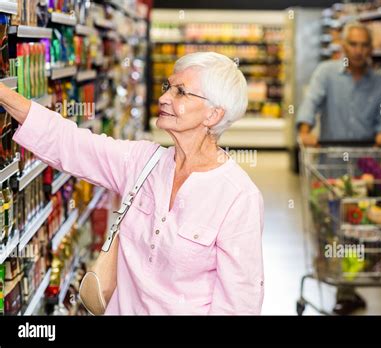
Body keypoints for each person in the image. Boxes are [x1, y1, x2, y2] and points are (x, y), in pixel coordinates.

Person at [0, 52, 264, 315]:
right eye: (167, 87)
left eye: (181, 92)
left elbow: (238, 305)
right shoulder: (143, 163)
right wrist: (3, 93)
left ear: (213, 115)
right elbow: (68, 142)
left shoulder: (238, 197)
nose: (163, 98)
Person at [296, 22, 381, 315]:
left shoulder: (379, 82)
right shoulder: (327, 73)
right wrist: (305, 128)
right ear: (343, 46)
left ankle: (354, 284)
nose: (359, 51)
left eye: (365, 45)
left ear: (371, 49)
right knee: (333, 228)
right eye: (353, 44)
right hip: (330, 168)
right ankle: (346, 289)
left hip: (366, 170)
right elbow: (311, 102)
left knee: (360, 226)